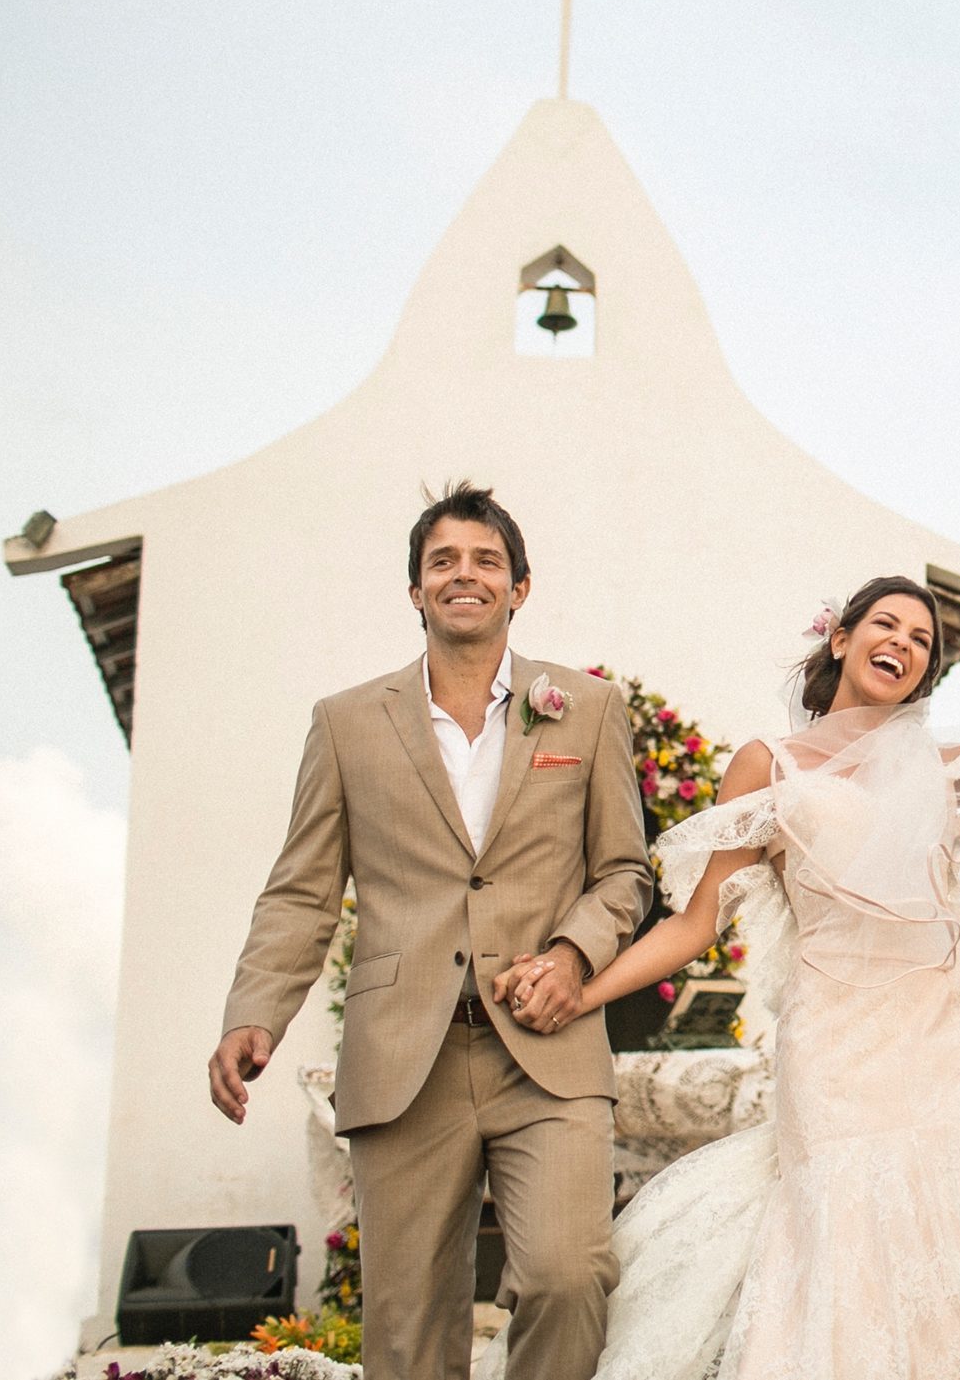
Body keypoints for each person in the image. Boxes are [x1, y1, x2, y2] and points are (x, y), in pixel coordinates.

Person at [477, 567, 960, 1379]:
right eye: (887, 625)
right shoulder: (768, 766)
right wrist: (582, 989)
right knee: (844, 1243)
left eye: (922, 640)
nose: (904, 644)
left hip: (943, 1041)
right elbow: (696, 923)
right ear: (842, 639)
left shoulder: (943, 767)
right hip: (836, 1051)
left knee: (951, 1242)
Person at [208, 483, 653, 1380]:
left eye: (486, 560)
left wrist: (571, 956)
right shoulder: (344, 723)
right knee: (408, 1327)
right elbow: (302, 890)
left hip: (548, 1053)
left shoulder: (590, 709)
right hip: (404, 1056)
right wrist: (254, 1012)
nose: (465, 574)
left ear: (520, 587)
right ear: (415, 590)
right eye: (442, 561)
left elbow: (624, 873)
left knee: (569, 1278)